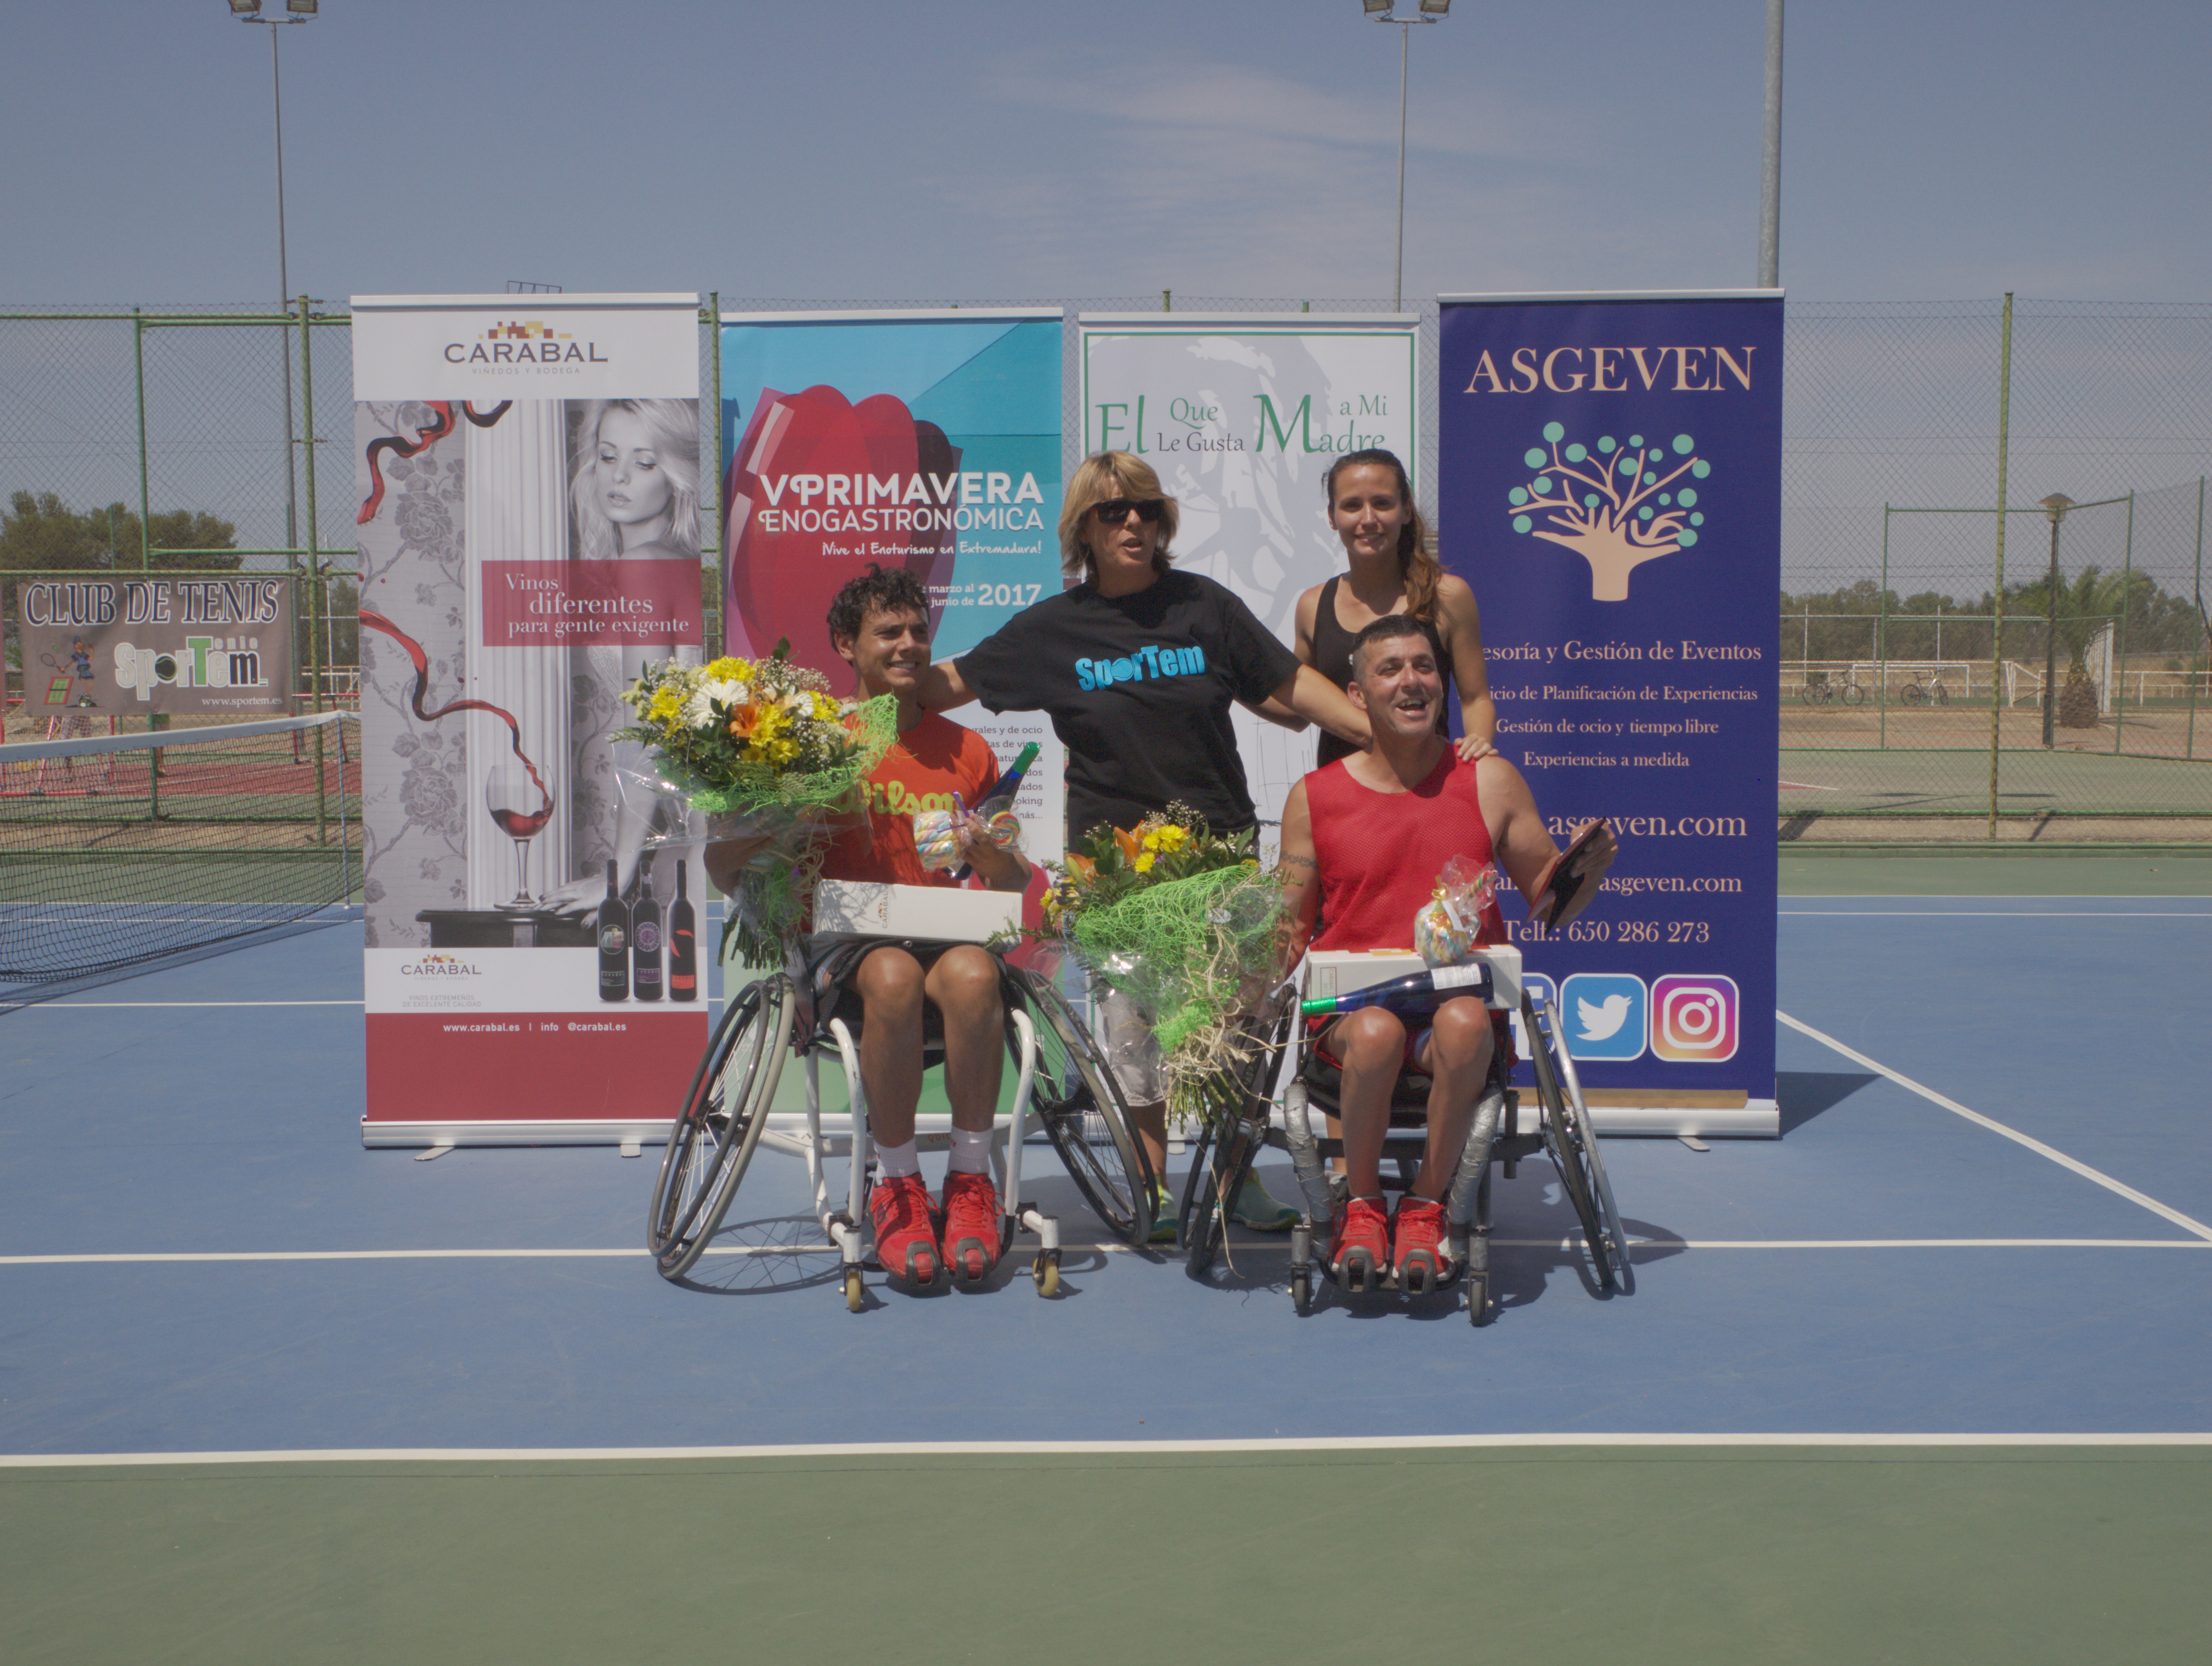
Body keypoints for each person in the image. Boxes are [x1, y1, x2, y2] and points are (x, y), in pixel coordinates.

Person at [914, 450, 1373, 1240]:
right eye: (1114, 511)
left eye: (1147, 510)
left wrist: (1384, 735)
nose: (1133, 522)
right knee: (1135, 1037)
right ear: (1083, 528)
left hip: (1218, 857)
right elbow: (947, 685)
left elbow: (1292, 686)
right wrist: (865, 685)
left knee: (1236, 1026)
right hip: (1115, 871)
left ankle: (1234, 1183)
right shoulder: (1052, 629)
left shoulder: (1204, 608)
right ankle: (1152, 1183)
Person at [706, 565, 1030, 1291]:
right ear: (845, 646)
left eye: (918, 630)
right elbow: (721, 866)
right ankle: (898, 1185)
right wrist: (787, 818)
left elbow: (1011, 883)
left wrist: (991, 856)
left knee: (976, 973)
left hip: (944, 943)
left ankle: (970, 1181)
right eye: (889, 632)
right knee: (891, 971)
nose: (909, 644)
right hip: (842, 955)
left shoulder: (969, 751)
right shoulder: (805, 742)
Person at [1274, 614, 1615, 1291]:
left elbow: (1552, 903)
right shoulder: (1314, 798)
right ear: (1357, 695)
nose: (1412, 681)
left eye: (1424, 666)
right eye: (1390, 669)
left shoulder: (1491, 781)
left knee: (1462, 1020)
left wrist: (1590, 872)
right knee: (1376, 1031)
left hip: (1458, 1021)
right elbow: (1288, 932)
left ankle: (1427, 1205)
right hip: (1350, 1021)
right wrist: (1233, 985)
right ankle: (1363, 1206)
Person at [1293, 448, 1497, 769]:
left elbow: (1476, 699)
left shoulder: (1447, 596)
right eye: (1352, 506)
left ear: (1406, 510)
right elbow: (1295, 709)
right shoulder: (1312, 606)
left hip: (1428, 788)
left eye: (1382, 503)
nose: (1368, 519)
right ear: (1332, 517)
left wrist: (1478, 750)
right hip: (1340, 794)